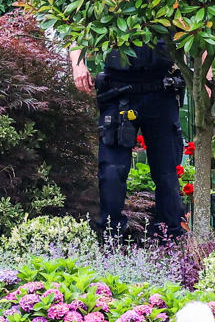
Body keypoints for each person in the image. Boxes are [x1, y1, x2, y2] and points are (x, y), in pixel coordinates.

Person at [69, 40, 185, 241]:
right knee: (112, 171)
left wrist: (206, 78)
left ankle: (171, 240)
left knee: (166, 172)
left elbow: (196, 27)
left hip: (161, 90)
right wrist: (78, 64)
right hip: (117, 91)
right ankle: (111, 239)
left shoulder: (170, 6)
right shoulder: (108, 6)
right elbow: (75, 29)